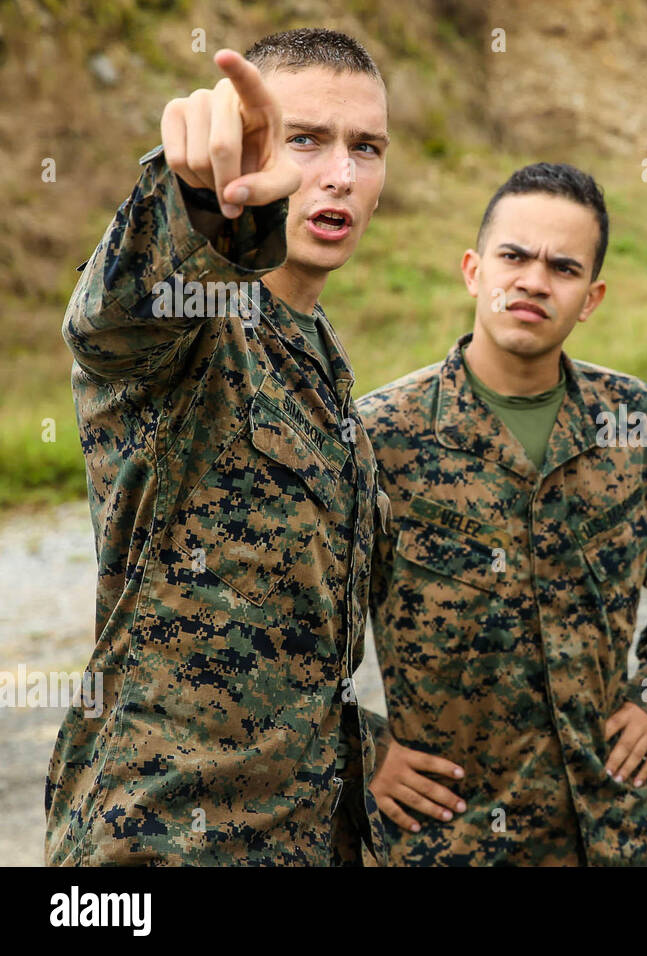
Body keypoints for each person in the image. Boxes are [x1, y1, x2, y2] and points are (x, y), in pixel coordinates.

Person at [47, 29, 393, 865]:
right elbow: (113, 321)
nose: (340, 174)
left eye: (367, 147)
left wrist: (372, 749)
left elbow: (291, 642)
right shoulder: (198, 321)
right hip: (158, 841)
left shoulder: (317, 352)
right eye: (305, 139)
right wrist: (200, 200)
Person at [358, 163, 647, 865]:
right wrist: (362, 750)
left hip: (605, 832)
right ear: (473, 270)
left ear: (590, 298)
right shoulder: (380, 437)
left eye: (562, 268)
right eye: (514, 257)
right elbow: (293, 622)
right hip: (448, 842)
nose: (534, 281)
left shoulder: (637, 423)